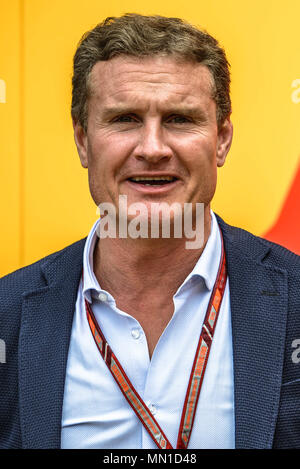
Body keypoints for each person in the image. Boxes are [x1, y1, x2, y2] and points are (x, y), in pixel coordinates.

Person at [0, 14, 299, 450]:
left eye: (179, 119)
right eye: (124, 119)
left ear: (222, 139)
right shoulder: (8, 315)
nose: (153, 148)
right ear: (83, 141)